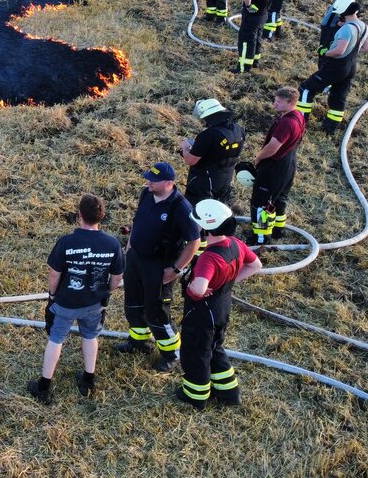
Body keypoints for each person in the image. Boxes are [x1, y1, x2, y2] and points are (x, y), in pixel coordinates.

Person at [28, 194, 126, 404]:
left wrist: (52, 295)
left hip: (65, 303)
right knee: (90, 336)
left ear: (79, 215)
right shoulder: (112, 244)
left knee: (56, 338)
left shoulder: (67, 242)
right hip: (94, 303)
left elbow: (55, 274)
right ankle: (88, 380)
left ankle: (44, 386)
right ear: (102, 216)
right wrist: (106, 291)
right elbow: (117, 277)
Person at [175, 199, 262, 410]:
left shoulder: (208, 258)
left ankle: (196, 395)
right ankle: (229, 393)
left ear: (207, 227)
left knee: (196, 352)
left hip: (202, 313)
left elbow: (197, 288)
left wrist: (197, 286)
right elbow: (255, 265)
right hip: (222, 307)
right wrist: (227, 283)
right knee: (215, 347)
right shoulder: (236, 244)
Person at [116, 162, 200, 372]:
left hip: (159, 266)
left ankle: (171, 354)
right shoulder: (146, 193)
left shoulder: (180, 207)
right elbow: (138, 221)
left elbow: (194, 242)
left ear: (169, 183)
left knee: (157, 312)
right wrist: (129, 248)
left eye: (153, 180)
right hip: (136, 260)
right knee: (133, 305)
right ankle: (138, 342)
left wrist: (176, 269)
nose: (148, 183)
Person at [298, 0, 368, 135]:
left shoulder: (346, 29)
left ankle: (299, 121)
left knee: (306, 89)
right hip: (351, 66)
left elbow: (339, 50)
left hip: (336, 66)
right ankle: (330, 129)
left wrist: (325, 52)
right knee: (338, 97)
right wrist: (353, 48)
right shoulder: (364, 26)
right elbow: (366, 48)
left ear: (343, 12)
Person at [244, 87, 306, 245]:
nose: (274, 104)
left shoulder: (287, 123)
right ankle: (279, 229)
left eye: (279, 101)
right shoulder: (298, 116)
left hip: (274, 166)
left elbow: (273, 147)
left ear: (291, 103)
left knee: (262, 203)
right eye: (275, 100)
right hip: (288, 164)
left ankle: (261, 237)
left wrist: (258, 158)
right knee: (279, 198)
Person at [180, 98, 244, 205]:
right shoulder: (238, 129)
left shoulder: (208, 135)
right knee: (219, 208)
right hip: (227, 177)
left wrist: (185, 148)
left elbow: (191, 160)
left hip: (205, 181)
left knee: (200, 211)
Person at [236, 0, 276, 73]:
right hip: (262, 16)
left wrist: (248, 7)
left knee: (246, 42)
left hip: (252, 18)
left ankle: (243, 68)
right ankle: (255, 62)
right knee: (256, 39)